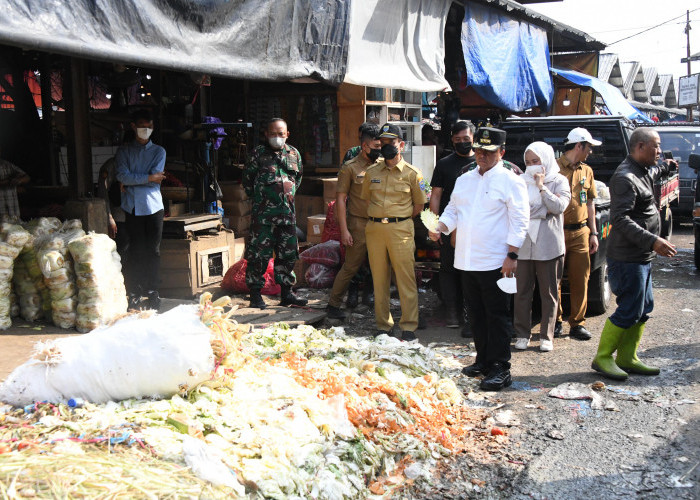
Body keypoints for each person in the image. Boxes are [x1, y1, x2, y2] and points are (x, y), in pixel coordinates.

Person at [430, 127, 529, 391]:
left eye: (488, 152)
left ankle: (500, 367)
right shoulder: (465, 179)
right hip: (466, 259)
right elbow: (453, 209)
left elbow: (520, 221)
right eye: (479, 151)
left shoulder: (511, 180)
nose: (481, 156)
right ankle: (483, 360)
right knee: (475, 315)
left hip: (496, 260)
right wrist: (440, 226)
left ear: (502, 152)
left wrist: (512, 254)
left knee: (497, 316)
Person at [591, 128, 677, 380]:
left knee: (644, 306)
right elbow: (620, 219)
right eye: (656, 146)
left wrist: (667, 166)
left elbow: (656, 170)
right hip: (627, 257)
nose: (659, 152)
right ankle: (603, 357)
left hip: (642, 256)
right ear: (640, 147)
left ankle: (627, 357)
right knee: (629, 307)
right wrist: (653, 240)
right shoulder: (625, 177)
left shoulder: (644, 170)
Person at [361, 123, 426, 341]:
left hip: (401, 229)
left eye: (392, 142)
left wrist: (400, 218)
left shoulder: (413, 174)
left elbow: (419, 205)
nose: (387, 146)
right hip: (375, 229)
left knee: (405, 278)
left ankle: (409, 327)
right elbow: (367, 199)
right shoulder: (371, 172)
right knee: (379, 279)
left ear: (402, 145)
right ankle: (383, 326)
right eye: (384, 142)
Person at [513, 142, 571, 352]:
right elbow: (517, 210)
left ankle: (546, 335)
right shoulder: (519, 181)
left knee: (549, 292)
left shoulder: (559, 180)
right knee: (522, 292)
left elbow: (558, 206)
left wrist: (541, 187)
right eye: (528, 162)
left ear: (546, 159)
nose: (532, 166)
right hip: (524, 244)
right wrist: (542, 211)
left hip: (549, 245)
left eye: (536, 161)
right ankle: (521, 333)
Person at [243, 118, 307, 309]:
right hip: (263, 217)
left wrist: (285, 195)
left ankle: (287, 294)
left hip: (287, 216)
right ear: (266, 134)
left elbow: (298, 179)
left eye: (281, 134)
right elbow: (247, 182)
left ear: (287, 134)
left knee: (287, 255)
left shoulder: (294, 154)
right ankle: (255, 295)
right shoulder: (257, 154)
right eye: (273, 134)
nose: (277, 137)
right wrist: (265, 200)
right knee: (258, 256)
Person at [326, 125, 381, 319]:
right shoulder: (350, 167)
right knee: (351, 267)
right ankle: (333, 304)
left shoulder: (383, 164)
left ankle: (378, 304)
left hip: (381, 224)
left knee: (382, 266)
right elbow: (340, 200)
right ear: (365, 146)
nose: (380, 149)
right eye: (376, 145)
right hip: (358, 224)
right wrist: (344, 230)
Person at [115, 109, 166, 310]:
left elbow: (155, 176)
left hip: (153, 206)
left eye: (150, 126)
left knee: (153, 251)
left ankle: (153, 291)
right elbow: (122, 176)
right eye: (143, 126)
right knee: (135, 250)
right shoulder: (124, 151)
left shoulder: (158, 151)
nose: (147, 130)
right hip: (133, 207)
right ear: (133, 127)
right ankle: (134, 292)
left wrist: (135, 180)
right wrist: (148, 178)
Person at [429, 120, 475, 332]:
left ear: (473, 138)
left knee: (471, 272)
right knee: (448, 270)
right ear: (452, 141)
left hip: (475, 228)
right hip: (449, 227)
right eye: (458, 140)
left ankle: (470, 313)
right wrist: (433, 225)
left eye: (466, 139)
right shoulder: (444, 164)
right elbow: (436, 196)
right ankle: (451, 312)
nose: (462, 143)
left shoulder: (481, 162)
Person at [555, 127, 600, 341]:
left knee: (580, 278)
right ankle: (555, 320)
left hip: (581, 231)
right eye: (588, 147)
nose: (590, 151)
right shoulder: (553, 168)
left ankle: (577, 323)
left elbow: (590, 202)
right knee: (553, 279)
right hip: (556, 231)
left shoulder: (587, 171)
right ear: (579, 145)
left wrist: (594, 233)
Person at [97, 157, 129, 261]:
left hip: (135, 214)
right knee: (121, 249)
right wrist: (109, 217)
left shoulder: (136, 161)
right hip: (118, 215)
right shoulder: (112, 165)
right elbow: (103, 193)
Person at [0, 147, 30, 219]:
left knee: (15, 226)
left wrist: (19, 181)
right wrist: (8, 181)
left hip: (12, 209)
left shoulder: (7, 165)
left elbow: (27, 178)